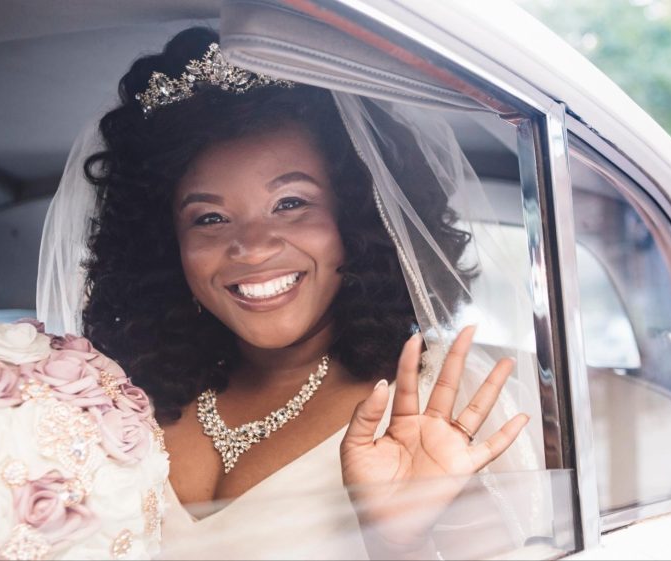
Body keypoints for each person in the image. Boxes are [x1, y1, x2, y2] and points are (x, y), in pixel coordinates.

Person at [39, 27, 531, 559]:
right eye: (209, 217)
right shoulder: (122, 401)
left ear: (359, 219)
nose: (249, 248)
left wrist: (395, 542)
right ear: (165, 249)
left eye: (291, 203)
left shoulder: (438, 405)